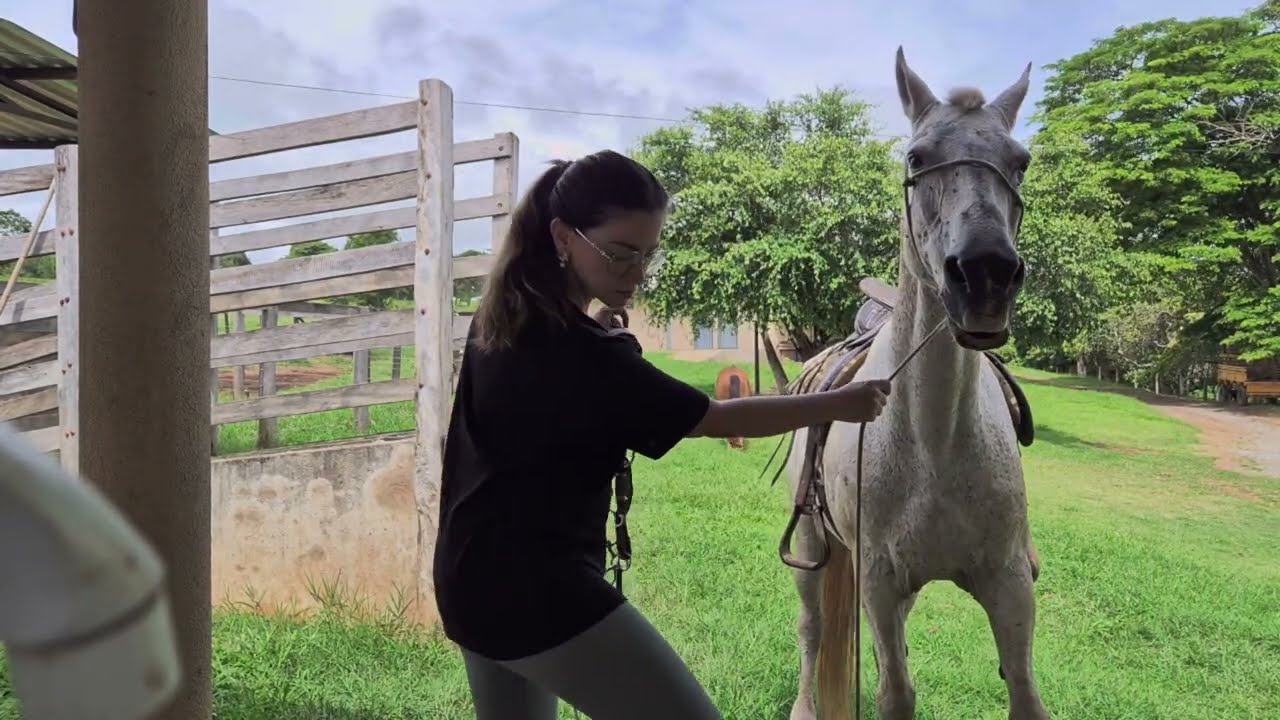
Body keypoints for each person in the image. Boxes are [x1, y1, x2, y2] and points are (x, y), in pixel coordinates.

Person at [433, 149, 891, 720]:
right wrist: (840, 402)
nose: (638, 272)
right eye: (621, 253)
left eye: (649, 254)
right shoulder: (586, 355)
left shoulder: (508, 315)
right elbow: (718, 419)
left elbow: (559, 388)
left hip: (469, 577)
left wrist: (596, 328)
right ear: (563, 236)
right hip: (538, 592)